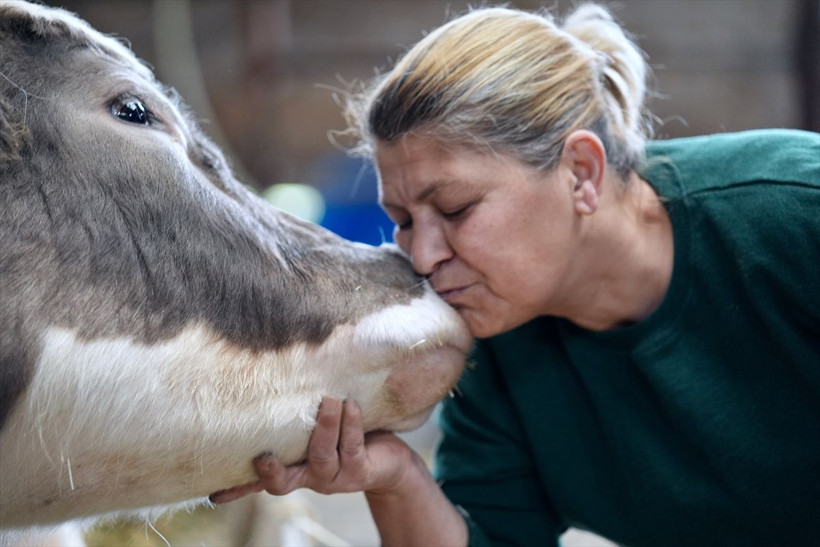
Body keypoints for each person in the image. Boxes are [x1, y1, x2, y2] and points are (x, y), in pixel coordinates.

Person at [211, 4, 820, 545]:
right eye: (401, 220)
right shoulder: (496, 338)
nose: (422, 258)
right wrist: (395, 477)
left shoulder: (794, 210)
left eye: (455, 210)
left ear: (581, 172)